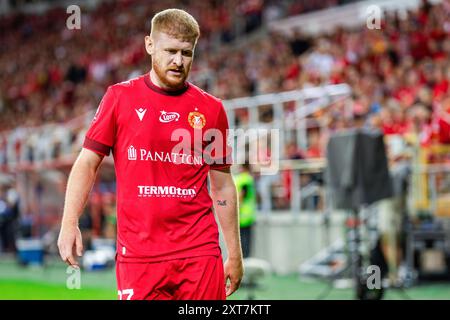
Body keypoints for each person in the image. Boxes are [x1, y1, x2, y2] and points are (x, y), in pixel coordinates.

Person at [57, 8, 243, 300]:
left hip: (199, 253)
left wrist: (234, 252)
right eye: (170, 51)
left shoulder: (212, 109)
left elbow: (221, 184)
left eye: (187, 53)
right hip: (139, 256)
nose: (178, 61)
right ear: (149, 45)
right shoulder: (119, 98)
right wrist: (69, 222)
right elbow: (87, 162)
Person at [234, 163, 257, 258]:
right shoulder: (249, 179)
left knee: (241, 241)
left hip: (242, 215)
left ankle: (243, 260)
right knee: (247, 241)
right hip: (248, 215)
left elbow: (241, 195)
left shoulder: (243, 178)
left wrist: (235, 208)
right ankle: (246, 260)